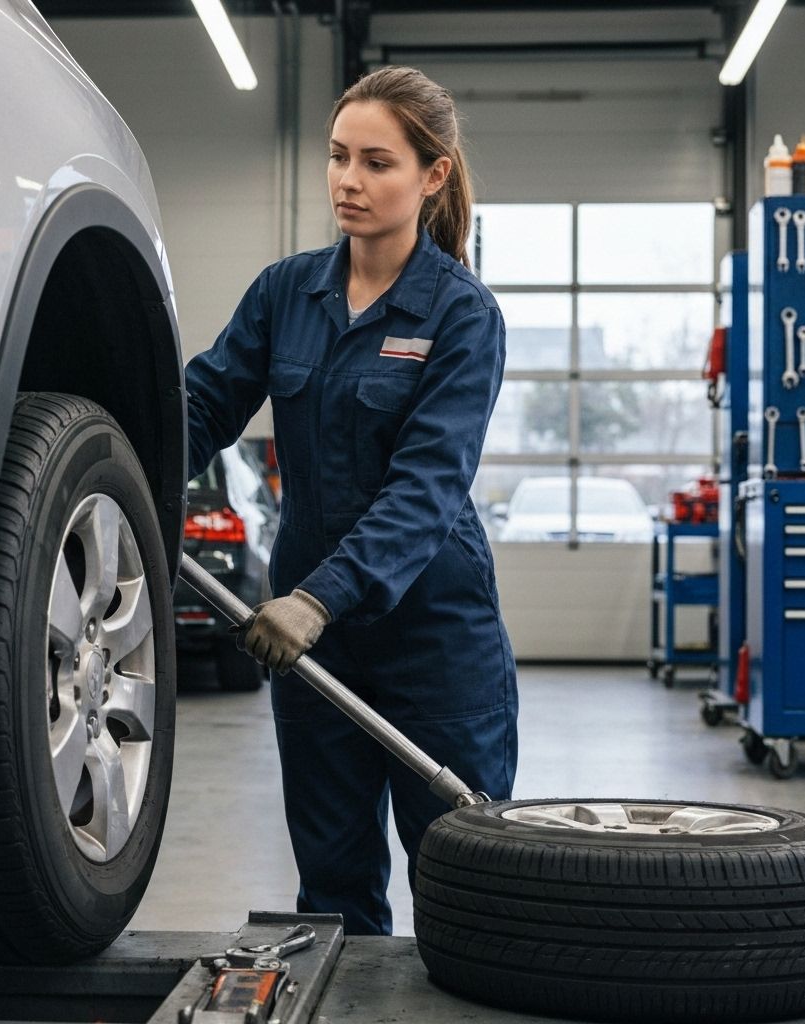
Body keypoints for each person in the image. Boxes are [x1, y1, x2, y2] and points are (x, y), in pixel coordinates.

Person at [183, 65, 518, 936]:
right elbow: (203, 405)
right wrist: (114, 466)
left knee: (464, 882)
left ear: (433, 175)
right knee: (332, 885)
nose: (349, 181)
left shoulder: (462, 315)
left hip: (432, 636)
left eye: (376, 162)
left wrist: (319, 598)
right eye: (338, 157)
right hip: (309, 638)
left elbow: (427, 486)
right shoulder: (285, 293)